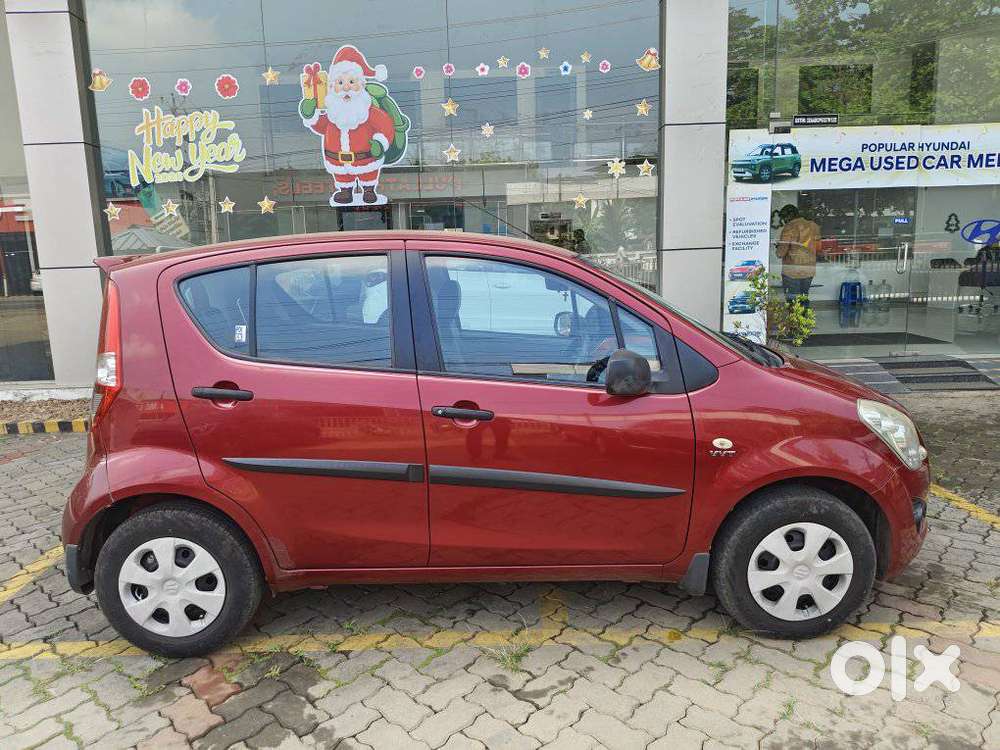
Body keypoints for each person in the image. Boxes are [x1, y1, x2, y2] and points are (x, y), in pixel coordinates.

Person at [775, 204, 821, 306]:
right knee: (804, 298)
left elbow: (780, 253)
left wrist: (778, 248)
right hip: (809, 269)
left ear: (788, 216)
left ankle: (796, 322)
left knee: (793, 302)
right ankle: (805, 320)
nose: (783, 221)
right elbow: (818, 247)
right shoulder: (813, 226)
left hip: (792, 271)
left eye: (784, 218)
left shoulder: (789, 227)